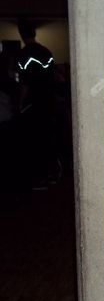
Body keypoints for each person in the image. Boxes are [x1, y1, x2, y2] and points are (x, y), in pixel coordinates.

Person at [17, 19, 57, 189]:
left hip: (33, 105)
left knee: (34, 141)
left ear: (21, 34)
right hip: (49, 101)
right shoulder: (46, 52)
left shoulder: (24, 54)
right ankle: (51, 175)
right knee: (47, 137)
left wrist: (20, 105)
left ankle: (39, 178)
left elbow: (25, 84)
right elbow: (54, 76)